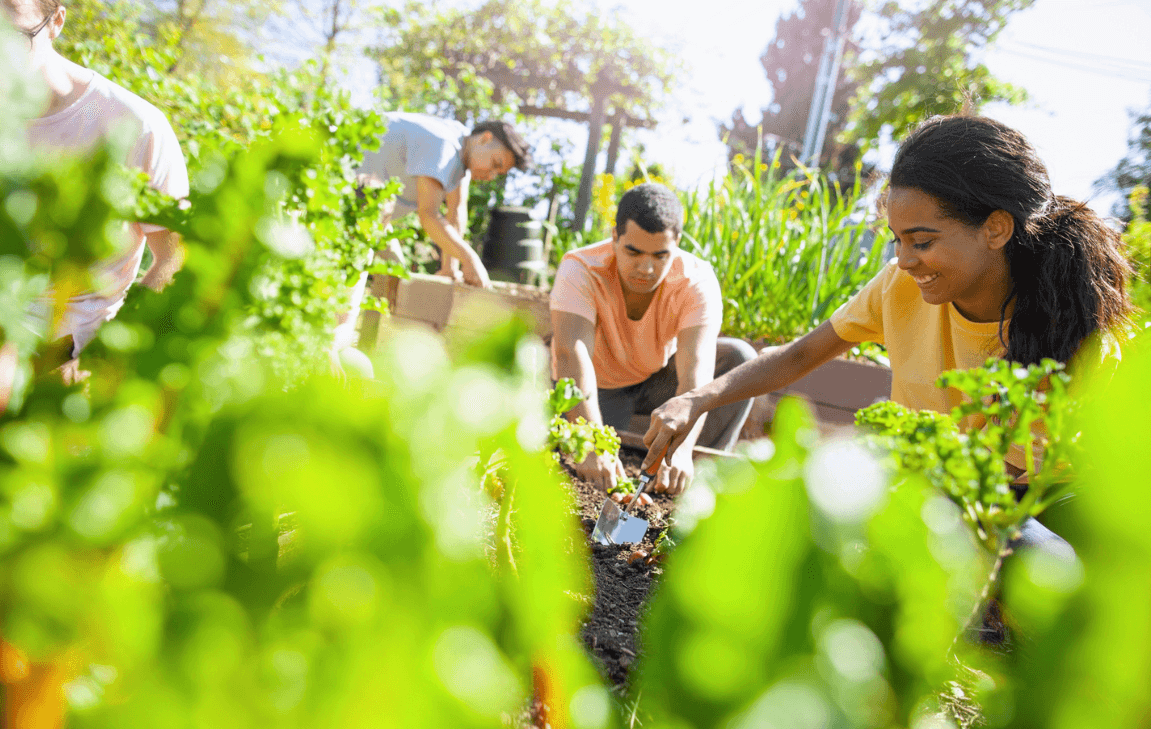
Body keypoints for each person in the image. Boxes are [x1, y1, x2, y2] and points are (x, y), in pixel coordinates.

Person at [642, 115, 1135, 556]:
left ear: (996, 228)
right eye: (897, 240)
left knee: (1053, 565)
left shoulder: (1066, 327)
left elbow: (991, 483)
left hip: (1037, 498)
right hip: (941, 492)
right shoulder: (901, 289)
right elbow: (800, 355)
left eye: (922, 241)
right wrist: (695, 400)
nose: (903, 260)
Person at [0, 0, 190, 385]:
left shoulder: (135, 125)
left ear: (56, 22)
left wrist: (102, 358)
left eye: (12, 37)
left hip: (71, 355)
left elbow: (174, 259)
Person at [551, 182, 757, 497]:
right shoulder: (580, 268)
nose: (646, 268)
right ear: (615, 237)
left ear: (676, 244)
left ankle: (693, 485)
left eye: (660, 255)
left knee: (738, 359)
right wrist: (591, 439)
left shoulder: (695, 280)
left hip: (656, 381)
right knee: (581, 474)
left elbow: (697, 369)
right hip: (600, 387)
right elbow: (570, 354)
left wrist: (683, 448)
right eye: (633, 252)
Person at [357, 112, 532, 288]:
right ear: (485, 139)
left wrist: (450, 269)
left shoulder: (462, 144)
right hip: (350, 194)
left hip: (374, 212)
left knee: (394, 277)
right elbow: (429, 215)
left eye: (498, 174)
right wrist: (470, 259)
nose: (491, 176)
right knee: (352, 283)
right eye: (495, 164)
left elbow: (456, 212)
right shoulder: (444, 145)